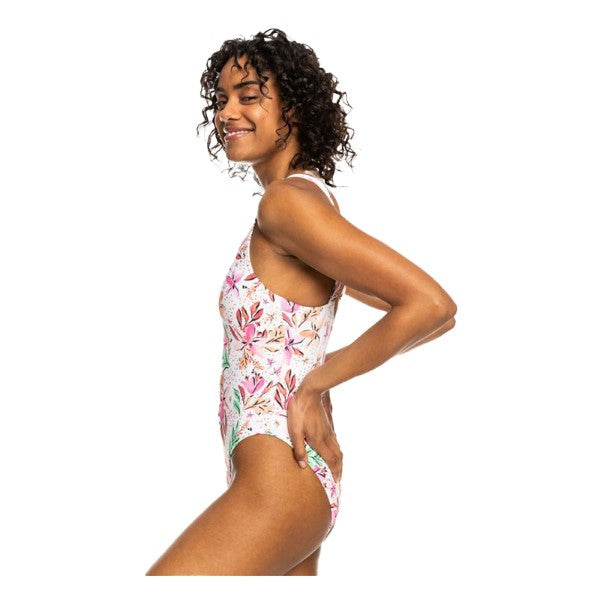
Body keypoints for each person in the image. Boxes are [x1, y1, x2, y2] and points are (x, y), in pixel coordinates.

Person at [146, 28, 457, 576]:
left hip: (279, 481)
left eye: (248, 95)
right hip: (288, 479)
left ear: (293, 107)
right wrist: (312, 377)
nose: (226, 112)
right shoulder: (307, 206)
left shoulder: (286, 204)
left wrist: (316, 382)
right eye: (221, 99)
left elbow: (431, 306)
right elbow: (419, 315)